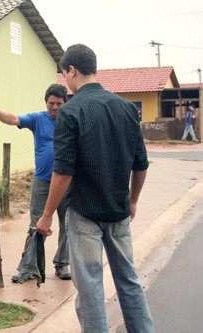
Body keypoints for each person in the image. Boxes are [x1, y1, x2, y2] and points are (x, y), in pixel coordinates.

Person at [36, 44, 155, 332]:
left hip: (85, 214)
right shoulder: (127, 108)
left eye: (65, 74)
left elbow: (63, 171)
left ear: (72, 70)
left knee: (90, 288)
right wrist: (133, 200)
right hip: (119, 211)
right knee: (128, 281)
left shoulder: (71, 111)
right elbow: (141, 164)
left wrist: (47, 213)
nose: (66, 80)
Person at [0, 83, 71, 286]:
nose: (55, 107)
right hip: (42, 182)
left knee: (67, 225)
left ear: (64, 103)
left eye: (59, 103)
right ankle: (28, 267)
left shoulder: (70, 121)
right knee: (36, 225)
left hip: (67, 181)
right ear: (46, 103)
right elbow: (14, 119)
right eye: (51, 103)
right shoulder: (37, 119)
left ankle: (62, 264)